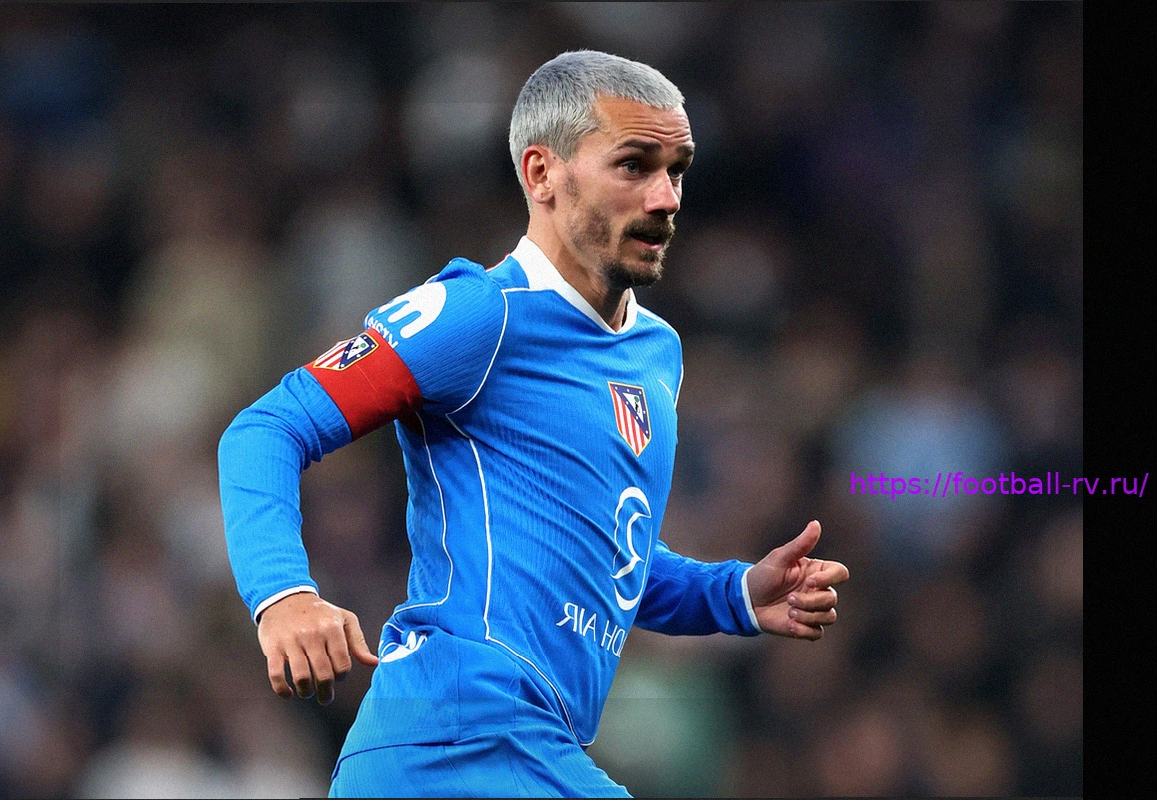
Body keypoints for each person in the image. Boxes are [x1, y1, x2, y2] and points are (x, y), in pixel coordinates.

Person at [219, 49, 850, 798]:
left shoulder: (656, 354)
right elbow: (266, 430)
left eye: (676, 171)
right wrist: (284, 595)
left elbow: (605, 560)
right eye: (634, 165)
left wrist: (735, 594)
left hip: (521, 747)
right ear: (542, 173)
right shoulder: (478, 313)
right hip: (455, 736)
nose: (665, 197)